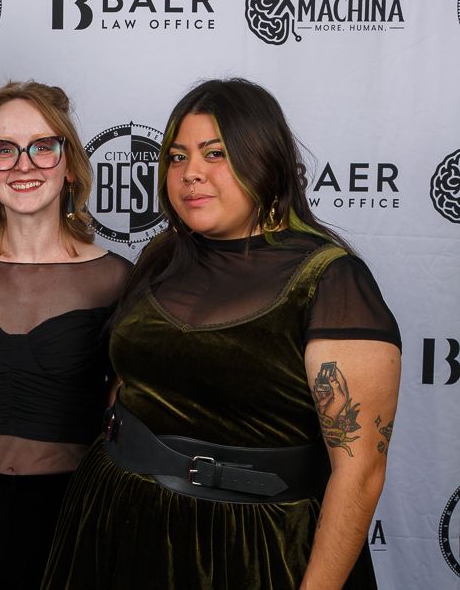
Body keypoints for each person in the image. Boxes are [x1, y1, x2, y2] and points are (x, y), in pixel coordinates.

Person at [41, 78, 402, 590]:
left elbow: (359, 474)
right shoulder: (162, 256)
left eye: (215, 154)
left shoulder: (330, 281)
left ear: (264, 159)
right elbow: (130, 380)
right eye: (177, 157)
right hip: (117, 516)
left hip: (251, 546)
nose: (191, 172)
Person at [0, 81, 131, 589]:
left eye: (43, 147)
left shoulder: (115, 279)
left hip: (74, 515)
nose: (23, 165)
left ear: (70, 165)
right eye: (2, 150)